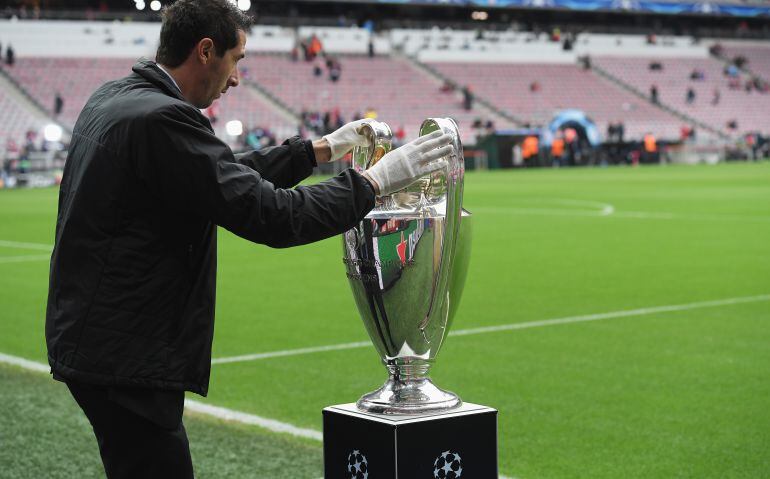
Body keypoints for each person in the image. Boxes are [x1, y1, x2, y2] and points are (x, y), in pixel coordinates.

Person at [44, 2, 454, 478]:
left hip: (97, 341)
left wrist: (315, 151)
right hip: (125, 354)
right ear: (205, 51)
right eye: (237, 59)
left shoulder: (119, 97)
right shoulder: (162, 120)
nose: (237, 77)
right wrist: (374, 182)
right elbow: (272, 216)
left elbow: (215, 174)